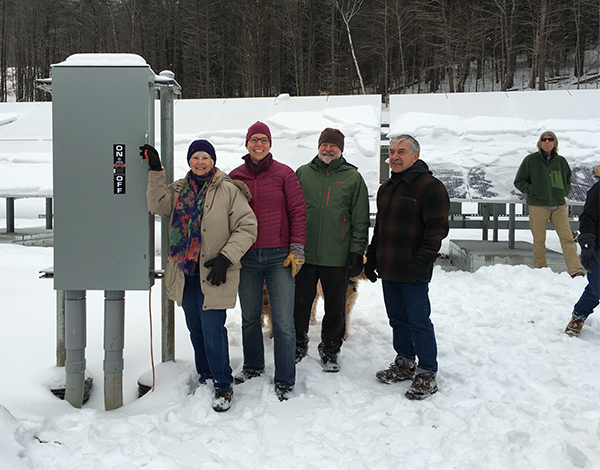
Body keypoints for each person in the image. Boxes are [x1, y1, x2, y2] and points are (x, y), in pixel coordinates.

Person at [142, 140, 257, 412]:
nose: (201, 162)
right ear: (190, 161)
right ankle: (205, 376)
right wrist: (156, 170)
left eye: (206, 157)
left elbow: (247, 227)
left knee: (213, 330)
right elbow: (157, 204)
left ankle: (222, 385)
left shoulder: (228, 190)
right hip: (186, 272)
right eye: (196, 157)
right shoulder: (179, 189)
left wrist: (226, 258)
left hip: (214, 272)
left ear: (213, 161)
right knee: (195, 329)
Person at [365, 135, 449, 400]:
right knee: (397, 319)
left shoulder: (430, 187)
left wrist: (424, 260)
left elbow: (437, 228)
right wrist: (372, 257)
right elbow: (381, 227)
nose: (394, 157)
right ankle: (404, 362)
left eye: (401, 151)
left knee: (418, 321)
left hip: (414, 268)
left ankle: (426, 372)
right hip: (390, 267)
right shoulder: (387, 187)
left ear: (415, 155)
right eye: (391, 152)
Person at [229, 121, 306, 401]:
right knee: (250, 317)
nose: (258, 144)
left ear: (270, 144)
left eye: (263, 140)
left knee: (284, 321)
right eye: (253, 140)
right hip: (246, 256)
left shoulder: (284, 174)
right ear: (246, 144)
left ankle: (285, 377)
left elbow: (298, 210)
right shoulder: (235, 176)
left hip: (279, 257)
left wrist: (297, 249)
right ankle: (252, 365)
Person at [294, 128, 370, 372]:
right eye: (324, 145)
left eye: (333, 146)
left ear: (341, 149)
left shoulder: (352, 178)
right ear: (318, 147)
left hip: (337, 256)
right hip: (304, 254)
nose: (328, 149)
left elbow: (360, 219)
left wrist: (357, 251)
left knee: (335, 307)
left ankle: (330, 349)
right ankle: (298, 343)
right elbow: (291, 212)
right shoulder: (303, 173)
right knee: (301, 303)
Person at [514, 131, 585, 278]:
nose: (547, 141)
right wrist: (533, 191)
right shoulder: (530, 160)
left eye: (550, 139)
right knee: (539, 240)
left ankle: (576, 271)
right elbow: (519, 181)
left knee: (567, 239)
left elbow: (567, 181)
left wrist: (563, 191)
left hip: (558, 206)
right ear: (540, 143)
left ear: (555, 142)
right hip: (538, 206)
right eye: (544, 139)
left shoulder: (561, 161)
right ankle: (541, 271)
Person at [565, 165, 600, 336]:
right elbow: (588, 217)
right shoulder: (597, 191)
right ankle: (579, 315)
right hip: (598, 247)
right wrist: (586, 241)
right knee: (597, 287)